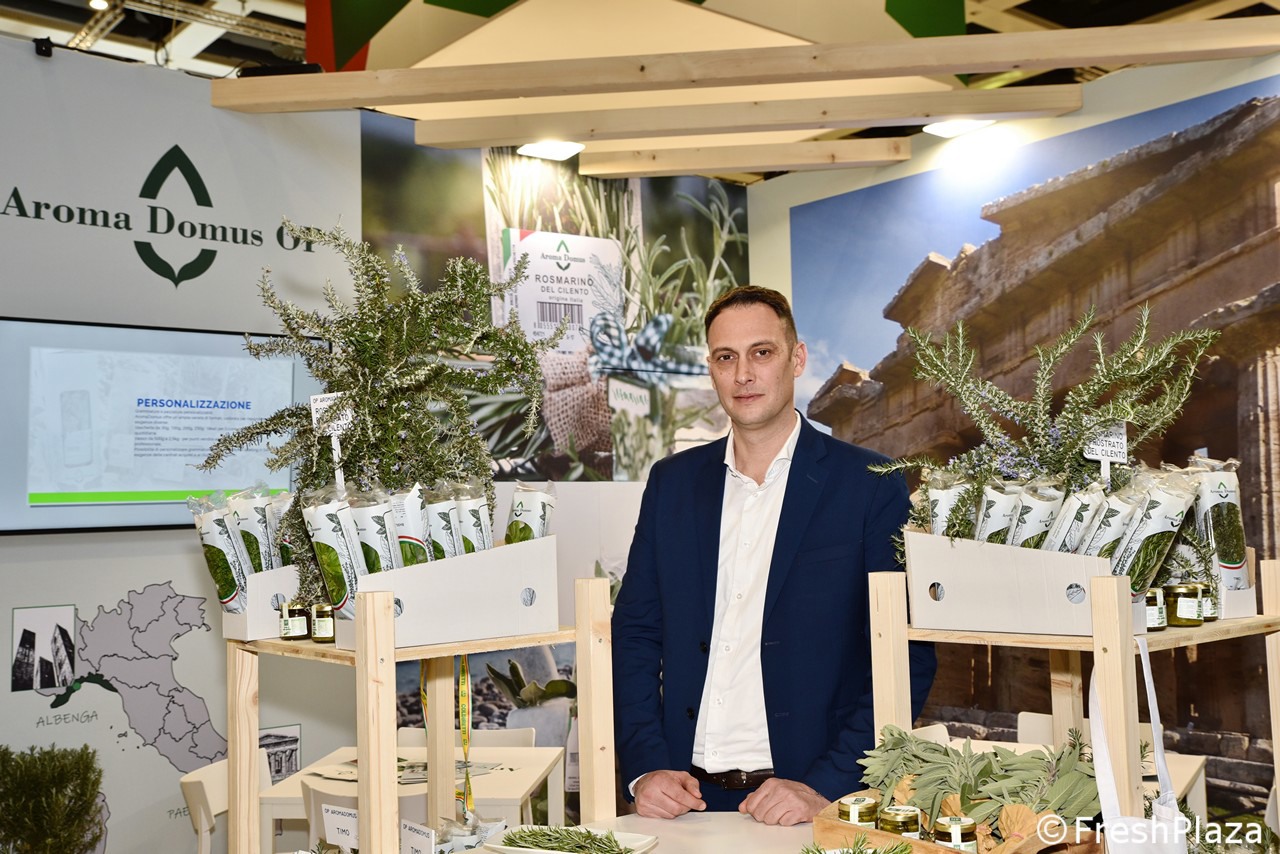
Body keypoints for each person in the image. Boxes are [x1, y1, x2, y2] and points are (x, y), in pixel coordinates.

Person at [611, 285, 936, 826]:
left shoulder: (870, 484)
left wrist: (827, 786)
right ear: (712, 369)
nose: (743, 374)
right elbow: (636, 634)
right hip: (681, 801)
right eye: (725, 357)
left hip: (809, 801)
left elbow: (905, 655)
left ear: (796, 358)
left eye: (761, 352)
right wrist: (645, 768)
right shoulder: (672, 484)